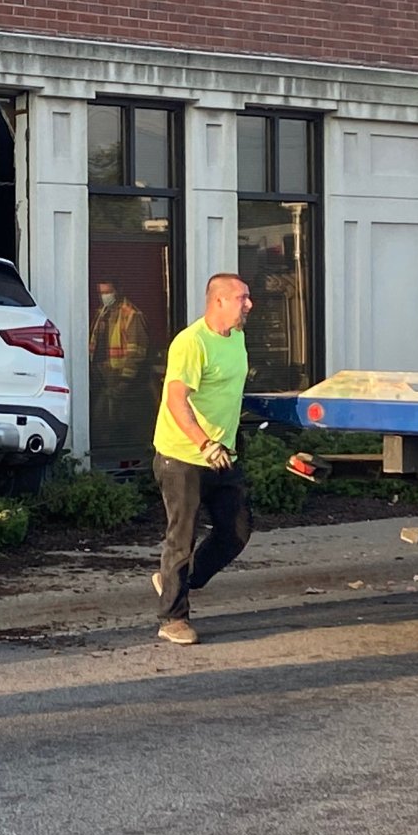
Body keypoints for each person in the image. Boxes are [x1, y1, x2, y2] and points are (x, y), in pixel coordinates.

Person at [149, 273, 254, 645]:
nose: (249, 305)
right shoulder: (191, 343)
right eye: (242, 298)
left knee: (237, 530)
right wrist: (204, 443)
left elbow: (227, 390)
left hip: (222, 455)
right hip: (183, 456)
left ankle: (176, 582)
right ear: (219, 301)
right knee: (182, 537)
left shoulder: (237, 338)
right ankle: (172, 618)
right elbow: (177, 400)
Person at [88, 279, 149, 441]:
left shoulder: (131, 314)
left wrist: (125, 380)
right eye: (101, 293)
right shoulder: (102, 312)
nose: (104, 296)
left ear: (117, 291)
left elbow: (136, 352)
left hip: (119, 376)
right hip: (101, 374)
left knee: (116, 417)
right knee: (102, 415)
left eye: (107, 292)